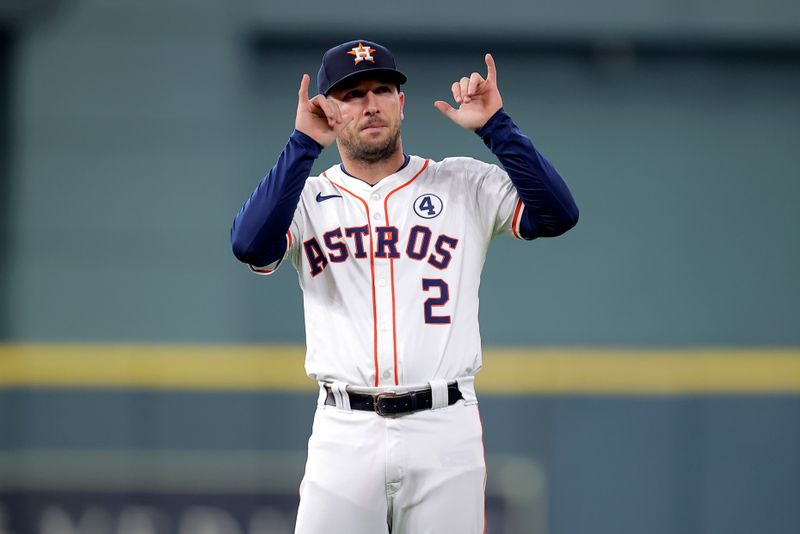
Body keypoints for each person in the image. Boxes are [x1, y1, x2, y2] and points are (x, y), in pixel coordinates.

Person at [231, 39, 578, 534]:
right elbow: (249, 245)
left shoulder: (461, 183)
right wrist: (302, 145)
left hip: (444, 425)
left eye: (382, 89)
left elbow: (558, 214)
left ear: (401, 102)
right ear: (327, 109)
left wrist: (496, 127)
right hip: (344, 429)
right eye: (352, 94)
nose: (370, 103)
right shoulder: (305, 200)